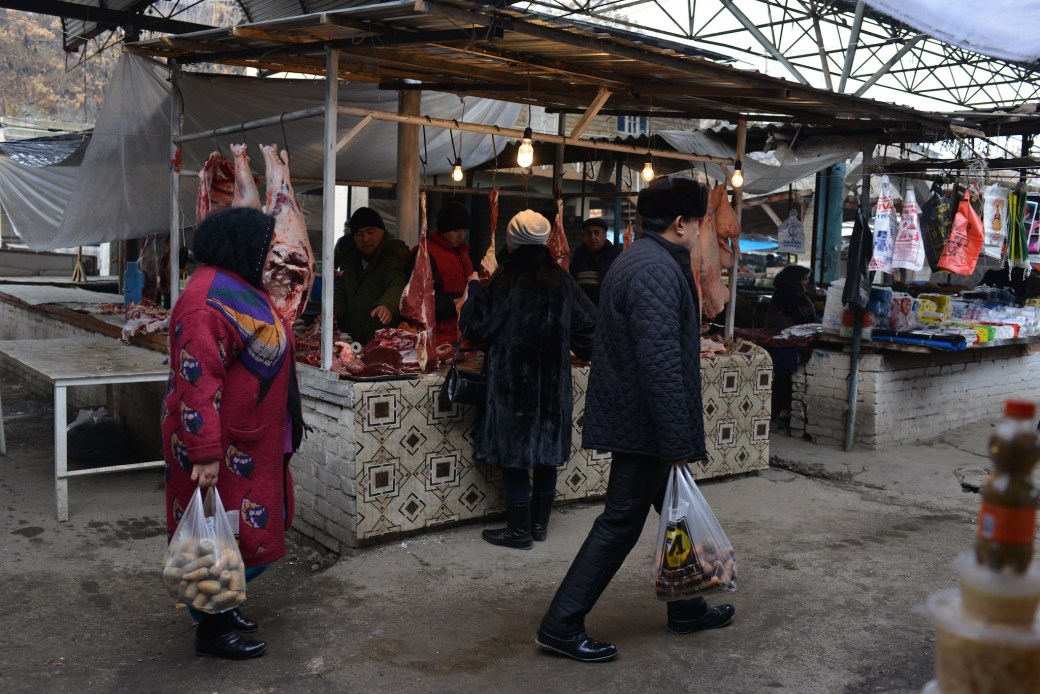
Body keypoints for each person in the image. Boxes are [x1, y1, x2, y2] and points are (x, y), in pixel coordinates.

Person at [535, 174, 735, 663]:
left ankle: (686, 607)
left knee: (675, 510)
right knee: (620, 523)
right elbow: (659, 362)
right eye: (699, 221)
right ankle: (561, 624)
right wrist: (676, 442)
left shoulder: (644, 259)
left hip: (642, 420)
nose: (701, 229)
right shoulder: (653, 270)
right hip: (645, 425)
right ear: (682, 223)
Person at [162, 207, 307, 660]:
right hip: (220, 445)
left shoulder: (237, 286)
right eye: (266, 247)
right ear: (240, 246)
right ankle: (212, 629)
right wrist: (204, 451)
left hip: (251, 438)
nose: (271, 257)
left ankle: (223, 608)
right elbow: (197, 381)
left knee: (243, 532)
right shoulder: (205, 299)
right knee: (218, 532)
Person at [459, 209, 596, 550]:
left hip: (512, 384)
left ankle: (518, 531)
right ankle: (538, 525)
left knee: (515, 453)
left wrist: (474, 288)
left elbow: (475, 325)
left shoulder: (507, 278)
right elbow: (590, 331)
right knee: (547, 452)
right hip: (552, 385)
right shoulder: (562, 280)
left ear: (513, 242)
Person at [332, 206, 409, 344]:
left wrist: (386, 305)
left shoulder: (393, 255)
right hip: (354, 339)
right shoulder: (350, 259)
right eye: (359, 234)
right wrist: (332, 314)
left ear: (382, 231)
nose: (365, 239)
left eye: (370, 232)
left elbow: (397, 284)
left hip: (385, 341)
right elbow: (341, 293)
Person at [407, 201, 475, 346]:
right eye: (456, 231)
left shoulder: (464, 254)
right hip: (437, 337)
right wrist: (457, 302)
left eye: (464, 230)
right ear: (444, 229)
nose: (461, 236)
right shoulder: (425, 254)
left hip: (462, 334)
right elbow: (419, 301)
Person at [569, 217, 620, 305]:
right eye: (589, 233)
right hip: (581, 309)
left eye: (596, 233)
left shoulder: (614, 257)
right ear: (584, 236)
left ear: (604, 235)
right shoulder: (578, 256)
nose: (592, 237)